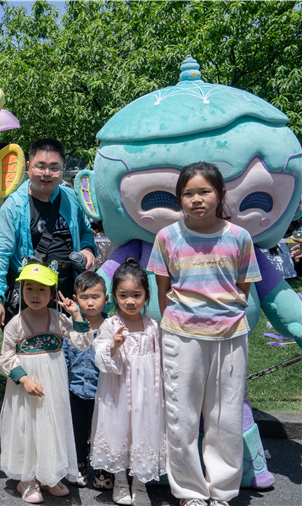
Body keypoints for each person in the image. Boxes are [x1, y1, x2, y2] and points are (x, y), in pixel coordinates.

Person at [148, 162, 261, 506]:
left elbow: (242, 286)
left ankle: (222, 490)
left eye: (205, 191)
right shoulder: (167, 237)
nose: (196, 199)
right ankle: (190, 492)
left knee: (226, 418)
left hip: (230, 336)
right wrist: (180, 320)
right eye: (188, 194)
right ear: (179, 199)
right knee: (181, 416)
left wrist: (221, 312)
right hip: (182, 336)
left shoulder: (239, 237)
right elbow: (163, 290)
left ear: (221, 194)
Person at [0, 261, 93, 504]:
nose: (35, 294)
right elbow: (5, 357)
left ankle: (49, 475)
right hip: (25, 389)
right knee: (26, 426)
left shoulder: (59, 319)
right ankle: (27, 479)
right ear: (21, 291)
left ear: (52, 294)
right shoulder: (16, 323)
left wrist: (76, 314)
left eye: (42, 289)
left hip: (54, 386)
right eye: (29, 288)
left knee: (52, 425)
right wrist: (25, 380)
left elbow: (83, 343)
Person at [0, 138, 97, 330]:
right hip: (31, 297)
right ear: (29, 167)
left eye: (54, 168)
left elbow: (85, 230)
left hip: (67, 297)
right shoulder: (13, 207)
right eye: (40, 166)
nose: (47, 173)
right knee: (32, 348)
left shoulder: (70, 198)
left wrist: (87, 249)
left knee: (71, 346)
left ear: (63, 169)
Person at [89, 259, 166, 505]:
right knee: (117, 429)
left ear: (146, 296)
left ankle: (141, 483)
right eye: (123, 295)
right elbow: (99, 354)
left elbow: (161, 359)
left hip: (146, 393)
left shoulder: (153, 326)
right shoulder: (110, 325)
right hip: (117, 391)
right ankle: (120, 480)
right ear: (114, 296)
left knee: (143, 431)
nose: (130, 301)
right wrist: (114, 345)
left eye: (136, 295)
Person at [62, 270, 114, 490]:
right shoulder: (69, 325)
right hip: (75, 390)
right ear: (75, 299)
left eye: (95, 297)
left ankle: (103, 470)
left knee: (103, 432)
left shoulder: (112, 326)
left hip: (104, 392)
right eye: (84, 298)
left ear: (106, 298)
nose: (90, 303)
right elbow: (64, 356)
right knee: (78, 431)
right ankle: (79, 465)